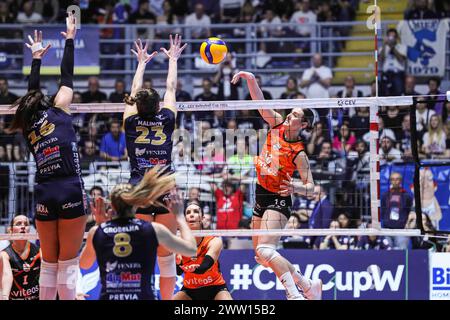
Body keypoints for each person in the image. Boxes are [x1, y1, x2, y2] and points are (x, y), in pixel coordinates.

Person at [7, 18, 88, 300]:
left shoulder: (28, 125)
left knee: (50, 264)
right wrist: (69, 39)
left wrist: (36, 60)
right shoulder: (60, 108)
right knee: (67, 263)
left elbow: (32, 93)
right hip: (68, 187)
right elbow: (67, 76)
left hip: (43, 190)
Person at [231, 71, 322, 300]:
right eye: (290, 113)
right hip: (260, 193)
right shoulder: (277, 124)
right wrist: (251, 79)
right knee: (262, 257)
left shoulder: (299, 153)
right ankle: (308, 284)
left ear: (303, 124)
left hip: (279, 199)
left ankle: (295, 294)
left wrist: (295, 187)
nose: (289, 116)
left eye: (295, 116)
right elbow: (260, 104)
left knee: (265, 250)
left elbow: (312, 187)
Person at [123, 34, 186, 300]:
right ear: (158, 105)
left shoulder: (130, 120)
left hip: (139, 188)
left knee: (141, 251)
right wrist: (172, 59)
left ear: (136, 104)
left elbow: (133, 93)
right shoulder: (167, 117)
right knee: (165, 253)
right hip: (165, 187)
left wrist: (140, 63)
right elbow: (171, 88)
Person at [78, 168, 197, 300]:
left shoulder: (98, 232)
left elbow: (84, 265)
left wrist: (98, 226)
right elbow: (191, 250)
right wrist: (179, 216)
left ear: (112, 205)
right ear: (136, 203)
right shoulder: (153, 229)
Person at [173, 202, 232, 300]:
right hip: (190, 290)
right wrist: (177, 263)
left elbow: (205, 266)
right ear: (185, 220)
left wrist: (194, 268)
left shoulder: (214, 241)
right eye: (188, 213)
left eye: (195, 212)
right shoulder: (179, 242)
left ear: (202, 218)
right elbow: (178, 272)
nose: (191, 214)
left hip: (215, 288)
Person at [0, 215, 41, 300]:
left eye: (26, 224)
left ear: (29, 230)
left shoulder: (39, 252)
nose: (23, 226)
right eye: (18, 224)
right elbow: (7, 275)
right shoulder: (5, 255)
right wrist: (4, 297)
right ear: (10, 230)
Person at [379, 28, 407, 96]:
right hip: (386, 74)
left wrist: (392, 47)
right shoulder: (383, 48)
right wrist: (384, 45)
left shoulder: (402, 47)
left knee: (398, 95)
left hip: (398, 74)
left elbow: (401, 59)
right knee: (385, 95)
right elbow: (381, 60)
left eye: (393, 37)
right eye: (390, 36)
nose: (391, 39)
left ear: (396, 37)